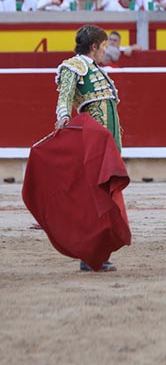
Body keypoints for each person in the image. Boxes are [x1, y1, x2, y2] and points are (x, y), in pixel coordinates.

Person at [54, 25, 123, 271]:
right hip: (94, 145)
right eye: (103, 46)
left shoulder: (96, 68)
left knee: (105, 198)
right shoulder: (73, 66)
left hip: (109, 144)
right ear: (94, 46)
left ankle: (98, 253)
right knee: (95, 198)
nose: (105, 51)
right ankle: (90, 255)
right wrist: (63, 116)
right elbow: (64, 96)